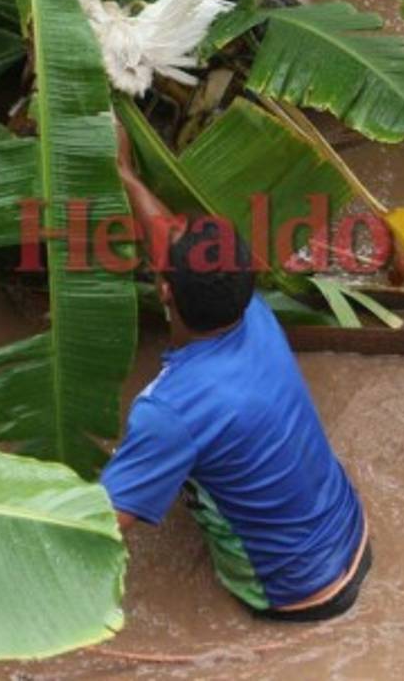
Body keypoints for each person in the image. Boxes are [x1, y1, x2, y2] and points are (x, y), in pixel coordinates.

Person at [101, 124, 371, 622]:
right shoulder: (251, 311)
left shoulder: (169, 410)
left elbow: (102, 522)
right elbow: (169, 245)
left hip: (295, 591)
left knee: (161, 464)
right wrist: (125, 173)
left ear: (165, 291)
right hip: (352, 536)